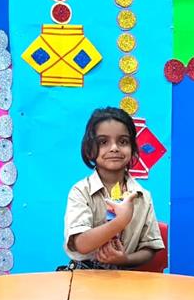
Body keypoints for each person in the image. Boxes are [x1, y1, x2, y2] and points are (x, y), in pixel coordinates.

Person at [64, 107, 164, 269]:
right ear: (89, 150)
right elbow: (81, 244)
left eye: (123, 141)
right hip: (85, 277)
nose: (114, 148)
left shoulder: (143, 196)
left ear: (133, 149)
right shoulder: (81, 191)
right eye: (103, 142)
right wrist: (120, 221)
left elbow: (150, 247)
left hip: (124, 277)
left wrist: (125, 260)